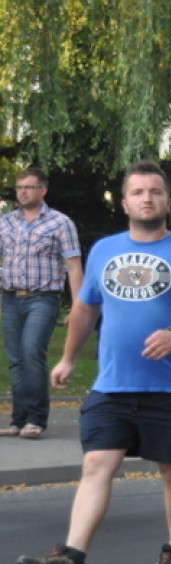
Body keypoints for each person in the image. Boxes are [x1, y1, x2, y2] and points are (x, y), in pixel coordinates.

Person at [15, 161, 171, 564]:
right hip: (111, 384)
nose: (147, 198)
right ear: (125, 202)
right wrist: (68, 358)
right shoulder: (106, 249)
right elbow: (86, 308)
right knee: (96, 465)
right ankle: (72, 559)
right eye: (138, 192)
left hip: (170, 385)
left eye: (155, 192)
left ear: (168, 201)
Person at [0, 167, 83, 438]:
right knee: (15, 360)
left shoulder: (60, 223)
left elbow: (73, 266)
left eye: (29, 187)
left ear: (43, 190)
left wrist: (78, 306)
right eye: (19, 187)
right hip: (10, 298)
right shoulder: (6, 222)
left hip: (42, 299)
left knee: (31, 352)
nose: (23, 192)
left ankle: (36, 419)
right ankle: (17, 419)